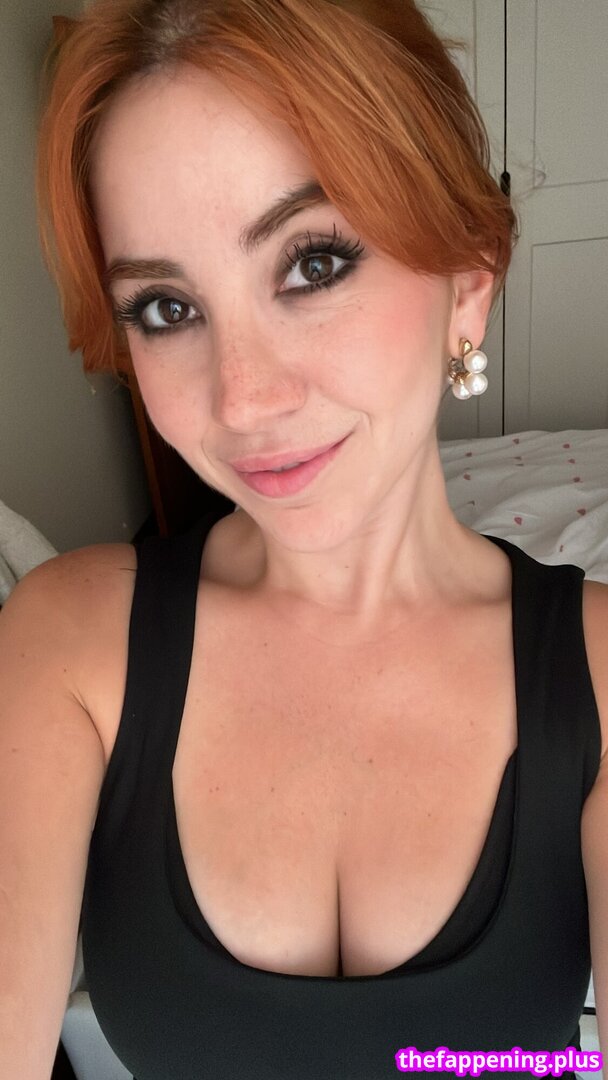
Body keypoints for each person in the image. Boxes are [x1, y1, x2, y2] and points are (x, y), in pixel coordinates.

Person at [1, 0, 607, 1077]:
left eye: (313, 265)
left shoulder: (598, 674)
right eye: (166, 309)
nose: (243, 399)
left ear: (467, 282)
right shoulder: (68, 645)